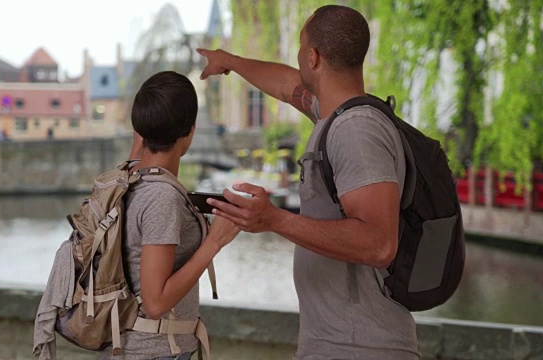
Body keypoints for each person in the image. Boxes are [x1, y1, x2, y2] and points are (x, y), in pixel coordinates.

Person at [198, 5, 419, 359]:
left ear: (313, 57)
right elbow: (287, 86)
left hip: (358, 348)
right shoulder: (336, 116)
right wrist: (231, 61)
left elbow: (379, 244)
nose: (298, 59)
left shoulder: (356, 130)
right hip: (338, 344)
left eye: (301, 49)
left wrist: (273, 220)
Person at [99, 71, 240, 360]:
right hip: (156, 352)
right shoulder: (162, 197)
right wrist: (215, 240)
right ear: (191, 130)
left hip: (125, 348)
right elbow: (155, 301)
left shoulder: (124, 179)